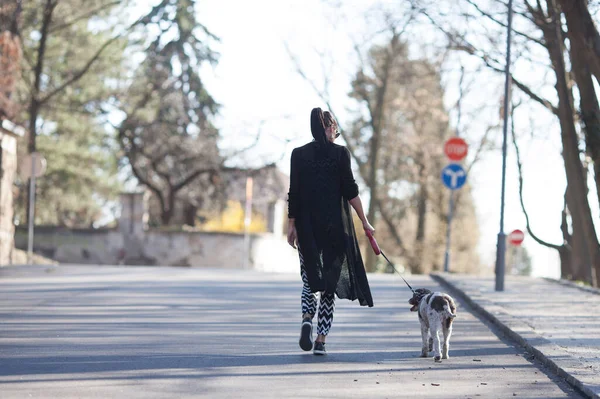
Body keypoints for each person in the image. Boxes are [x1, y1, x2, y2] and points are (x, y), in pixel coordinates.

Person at [287, 107, 375, 356]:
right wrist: (365, 221)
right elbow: (351, 191)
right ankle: (321, 340)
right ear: (327, 128)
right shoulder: (340, 154)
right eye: (333, 126)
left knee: (308, 280)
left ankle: (306, 317)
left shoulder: (298, 154)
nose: (335, 130)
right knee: (328, 286)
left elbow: (294, 193)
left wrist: (291, 226)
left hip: (307, 228)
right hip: (335, 228)